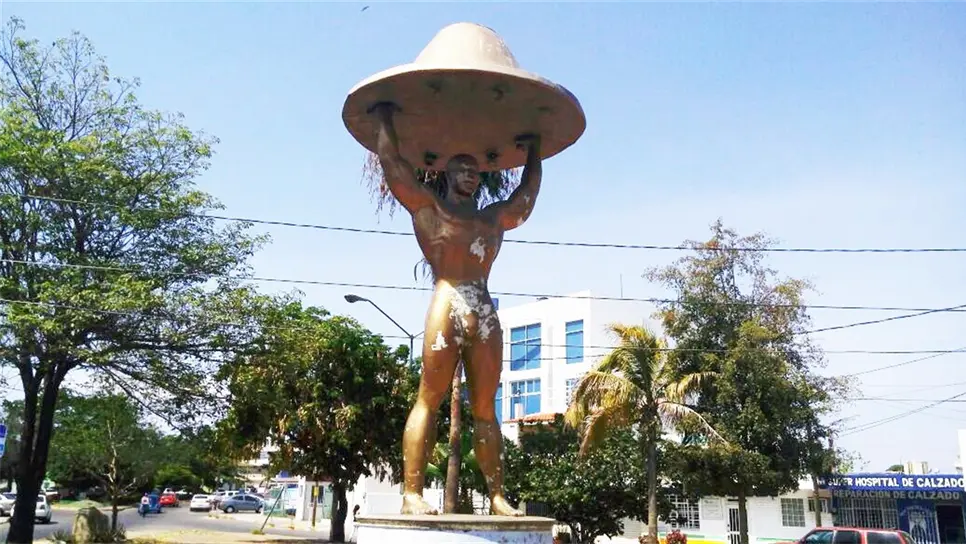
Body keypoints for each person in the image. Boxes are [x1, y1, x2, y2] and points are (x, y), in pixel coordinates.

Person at [370, 102, 541, 516]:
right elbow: (393, 166)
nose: (471, 175)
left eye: (474, 170)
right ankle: (412, 494)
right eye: (462, 169)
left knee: (485, 408)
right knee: (428, 399)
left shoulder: (492, 219)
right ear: (447, 174)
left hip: (483, 310)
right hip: (446, 303)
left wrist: (535, 150)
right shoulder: (430, 208)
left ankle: (496, 497)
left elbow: (526, 198)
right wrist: (384, 119)